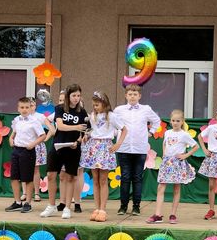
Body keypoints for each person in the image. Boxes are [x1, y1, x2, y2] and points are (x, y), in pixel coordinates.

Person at [40, 84, 88, 219]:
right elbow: (60, 126)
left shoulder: (82, 112)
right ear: (68, 96)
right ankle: (51, 206)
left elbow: (84, 132)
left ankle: (67, 207)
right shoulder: (60, 108)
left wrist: (78, 141)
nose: (76, 98)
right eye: (74, 95)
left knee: (70, 177)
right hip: (58, 146)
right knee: (51, 175)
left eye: (78, 95)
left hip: (73, 148)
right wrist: (76, 127)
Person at [80, 91, 127, 222]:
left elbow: (124, 129)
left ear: (104, 103)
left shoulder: (111, 116)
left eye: (97, 105)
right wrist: (87, 136)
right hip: (93, 147)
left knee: (103, 179)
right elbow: (93, 130)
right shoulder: (92, 116)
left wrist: (118, 144)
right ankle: (96, 208)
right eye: (93, 105)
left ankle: (103, 209)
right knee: (95, 179)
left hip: (105, 147)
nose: (95, 107)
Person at [114, 84, 161, 216]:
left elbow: (156, 121)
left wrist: (151, 132)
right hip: (124, 148)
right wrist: (114, 134)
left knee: (137, 178)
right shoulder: (119, 110)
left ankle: (136, 206)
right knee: (125, 177)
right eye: (130, 94)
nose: (132, 97)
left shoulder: (146, 109)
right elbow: (112, 123)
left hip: (140, 149)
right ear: (126, 96)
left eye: (135, 94)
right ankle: (123, 206)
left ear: (139, 96)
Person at [146, 109, 198, 224]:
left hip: (177, 163)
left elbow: (196, 146)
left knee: (176, 188)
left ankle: (173, 215)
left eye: (178, 121)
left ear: (182, 121)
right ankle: (158, 214)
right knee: (161, 187)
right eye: (173, 120)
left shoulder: (184, 134)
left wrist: (185, 155)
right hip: (167, 162)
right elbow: (165, 143)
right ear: (170, 121)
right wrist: (164, 154)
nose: (175, 123)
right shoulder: (167, 132)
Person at [5, 97, 46, 213]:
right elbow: (14, 133)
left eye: (27, 107)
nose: (24, 110)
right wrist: (11, 139)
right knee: (14, 177)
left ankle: (28, 203)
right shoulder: (17, 120)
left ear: (31, 108)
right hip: (16, 150)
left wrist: (33, 144)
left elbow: (42, 136)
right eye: (22, 107)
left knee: (27, 178)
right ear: (18, 108)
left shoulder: (34, 121)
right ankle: (17, 202)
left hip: (28, 151)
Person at [20, 97, 55, 204]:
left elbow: (51, 128)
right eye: (28, 105)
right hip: (24, 145)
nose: (30, 107)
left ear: (35, 106)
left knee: (36, 170)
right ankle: (25, 192)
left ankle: (36, 193)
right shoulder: (21, 117)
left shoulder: (40, 116)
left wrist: (45, 139)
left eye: (32, 105)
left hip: (37, 145)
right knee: (24, 168)